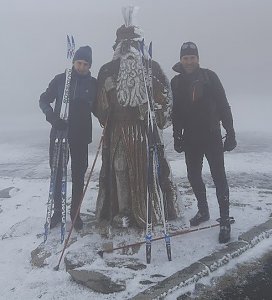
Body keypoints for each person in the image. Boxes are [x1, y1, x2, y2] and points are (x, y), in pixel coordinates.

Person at [93, 22, 178, 229]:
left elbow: (166, 102)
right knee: (119, 167)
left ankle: (146, 208)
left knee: (144, 170)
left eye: (132, 43)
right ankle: (123, 210)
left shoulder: (151, 68)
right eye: (124, 43)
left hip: (143, 130)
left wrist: (151, 100)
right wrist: (106, 94)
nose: (128, 48)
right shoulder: (107, 70)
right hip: (117, 130)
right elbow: (98, 106)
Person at [171, 42, 237, 243]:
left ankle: (224, 219)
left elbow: (224, 105)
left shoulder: (210, 77)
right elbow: (175, 113)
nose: (189, 61)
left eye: (192, 58)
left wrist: (230, 131)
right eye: (185, 58)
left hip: (212, 135)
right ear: (181, 60)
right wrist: (177, 135)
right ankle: (203, 210)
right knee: (193, 175)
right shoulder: (176, 82)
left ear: (197, 59)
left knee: (219, 177)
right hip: (191, 138)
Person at [39, 46, 97, 230]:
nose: (81, 67)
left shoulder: (93, 84)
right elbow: (43, 100)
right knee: (57, 173)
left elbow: (100, 108)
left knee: (79, 176)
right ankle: (57, 212)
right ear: (74, 62)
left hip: (80, 136)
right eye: (79, 63)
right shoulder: (60, 80)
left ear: (89, 66)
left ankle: (75, 213)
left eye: (85, 64)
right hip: (59, 133)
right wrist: (53, 118)